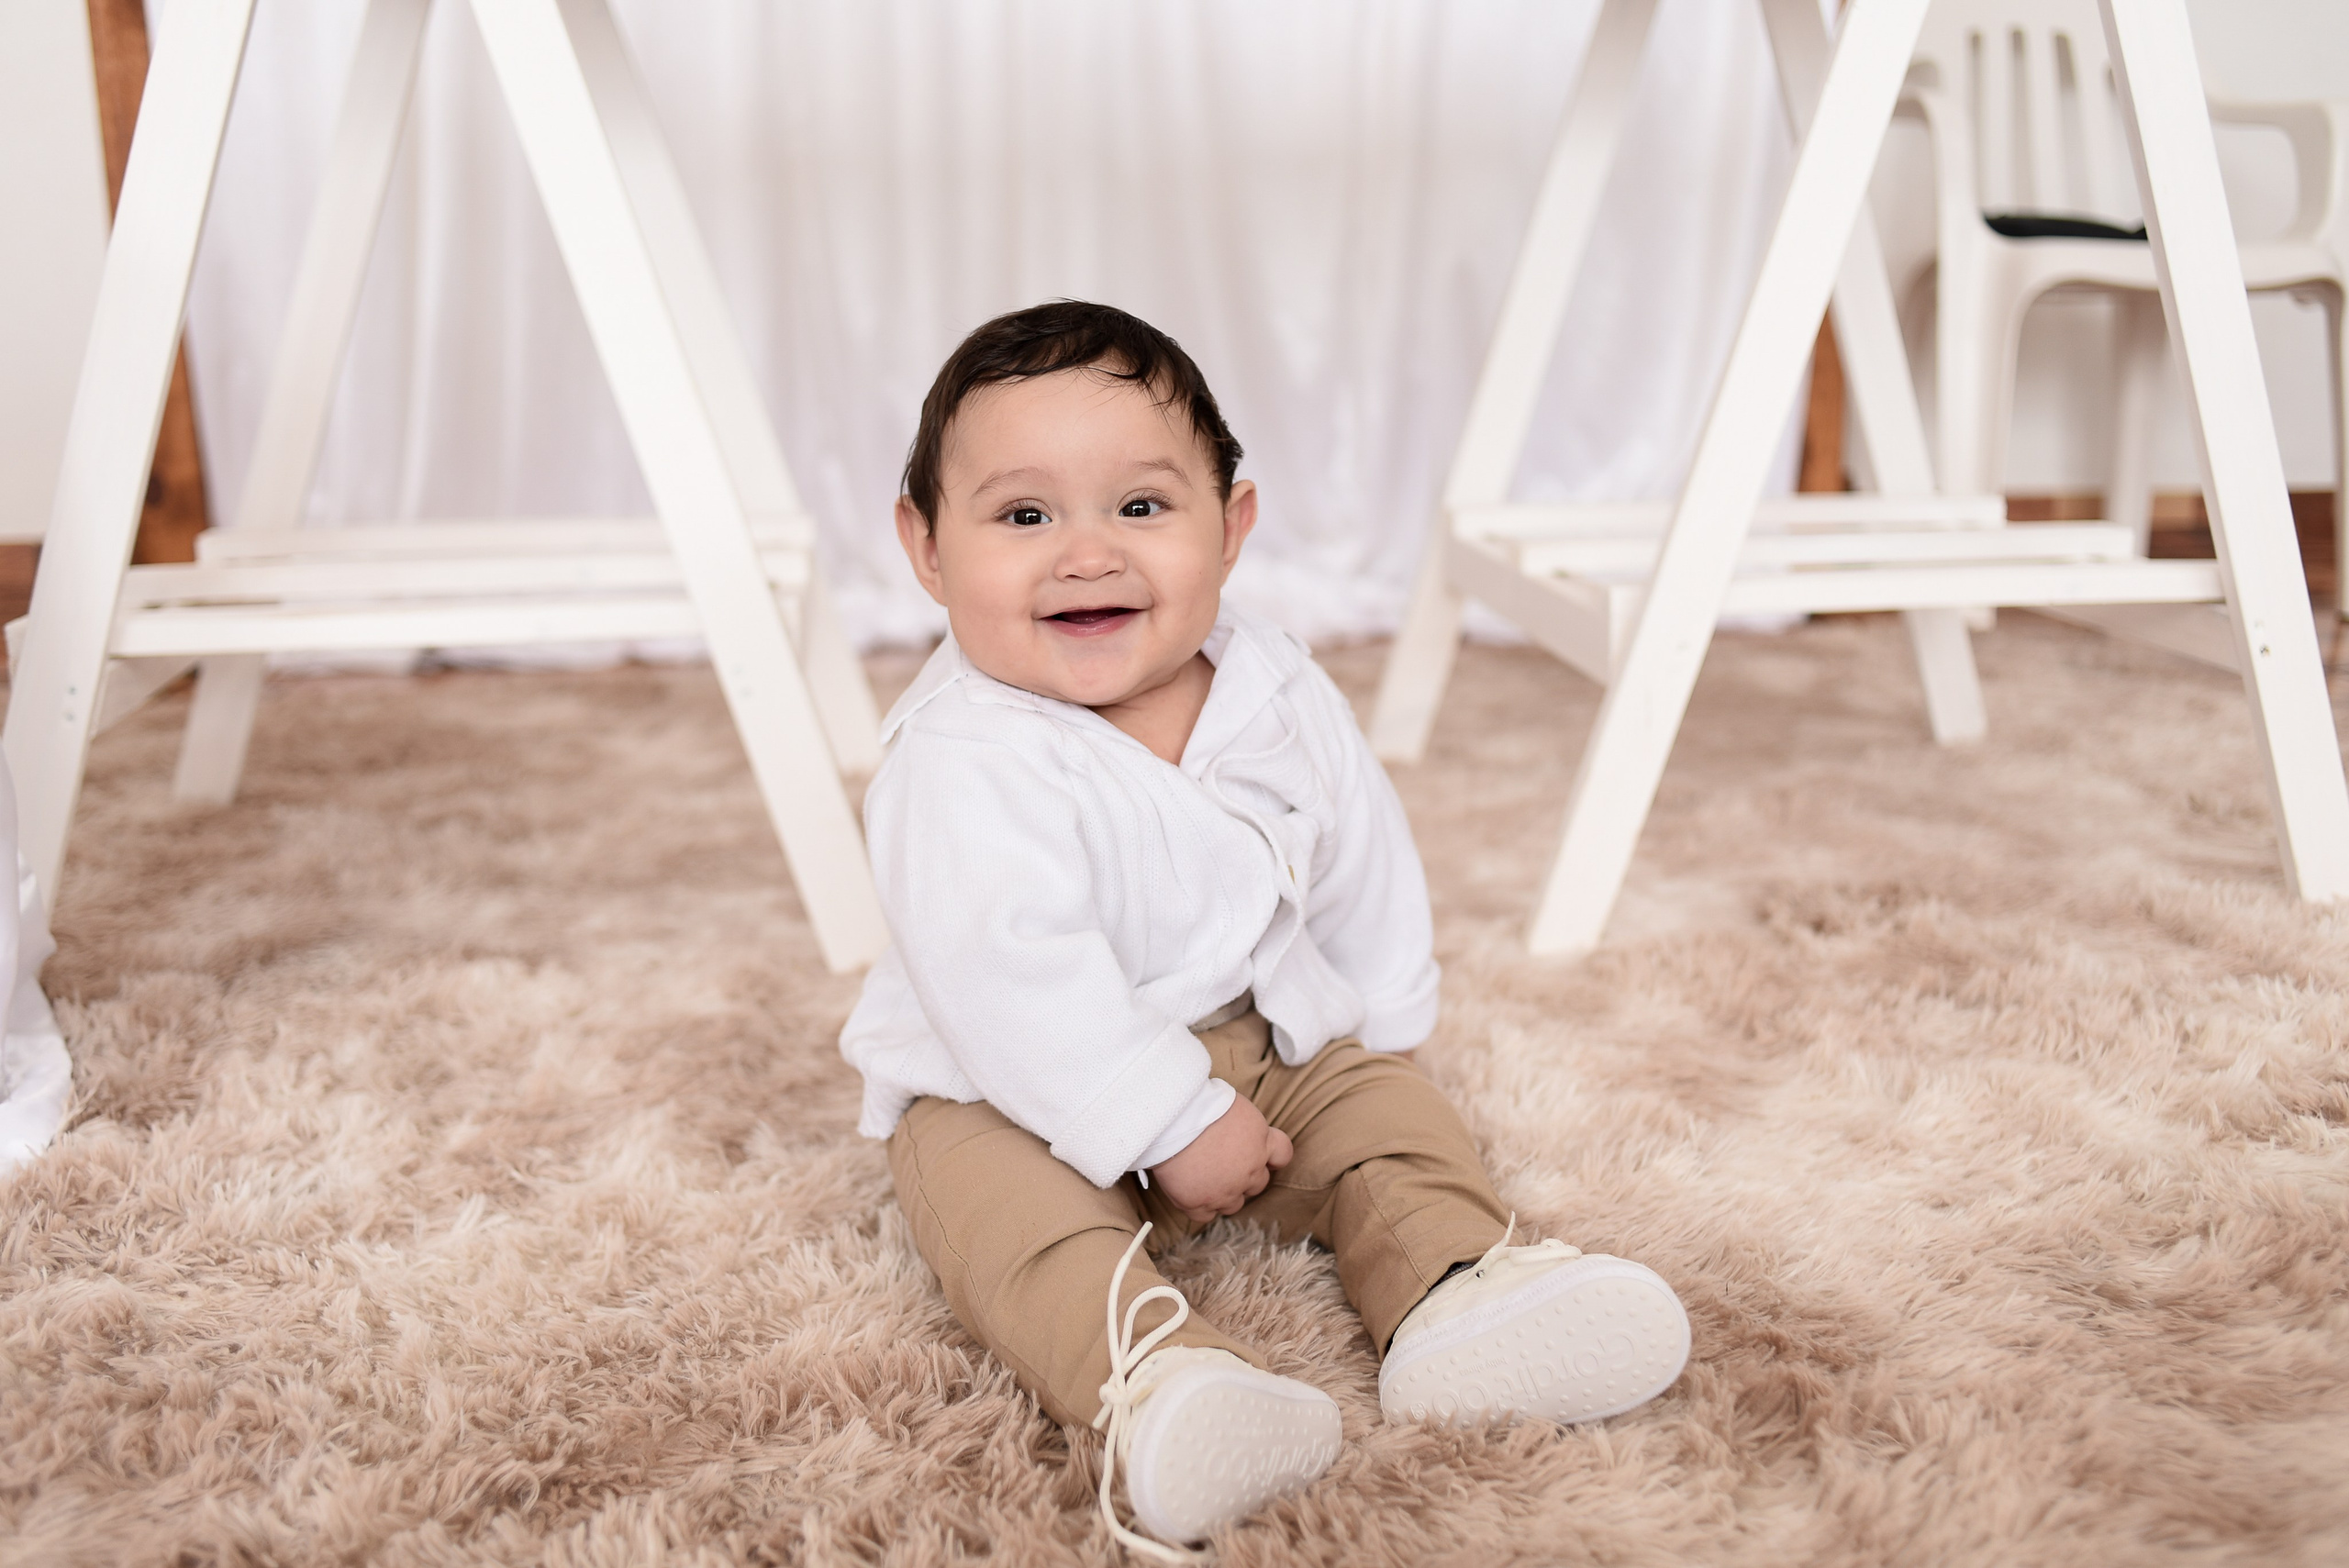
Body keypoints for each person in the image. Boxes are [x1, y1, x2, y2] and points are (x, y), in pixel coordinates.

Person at [839, 301, 1689, 1559]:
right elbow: (1011, 977)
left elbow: (1357, 851)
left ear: (1230, 528)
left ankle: (1456, 1287)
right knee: (994, 1211)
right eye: (1024, 516)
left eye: (1141, 507)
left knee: (1389, 1120)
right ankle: (1157, 1377)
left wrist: (1386, 1022)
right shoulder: (959, 756)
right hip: (1008, 1079)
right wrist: (1168, 1119)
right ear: (925, 546)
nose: (1087, 555)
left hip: (1256, 1032)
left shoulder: (1273, 684)